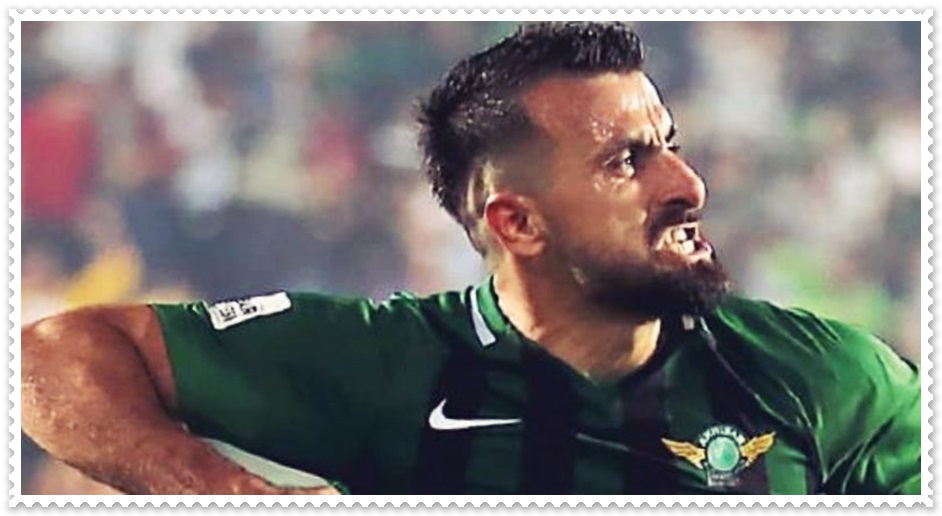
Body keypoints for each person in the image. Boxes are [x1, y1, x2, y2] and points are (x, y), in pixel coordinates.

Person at [21, 21, 920, 495]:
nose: (687, 185)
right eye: (626, 162)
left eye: (670, 145)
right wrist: (222, 491)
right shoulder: (387, 364)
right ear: (516, 223)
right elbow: (47, 357)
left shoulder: (827, 379)